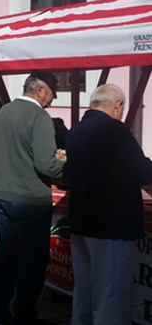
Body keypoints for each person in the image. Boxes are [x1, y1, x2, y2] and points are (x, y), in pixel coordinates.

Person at [65, 84, 152, 324]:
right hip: (112, 225)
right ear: (118, 106)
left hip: (81, 221)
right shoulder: (115, 131)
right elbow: (142, 171)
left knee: (84, 292)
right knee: (110, 297)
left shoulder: (75, 132)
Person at [0, 71, 64, 325]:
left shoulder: (4, 111)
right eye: (52, 94)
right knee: (32, 262)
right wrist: (67, 164)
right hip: (29, 199)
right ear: (40, 90)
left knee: (4, 258)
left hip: (1, 193)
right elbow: (47, 166)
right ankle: (25, 314)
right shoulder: (39, 117)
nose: (52, 100)